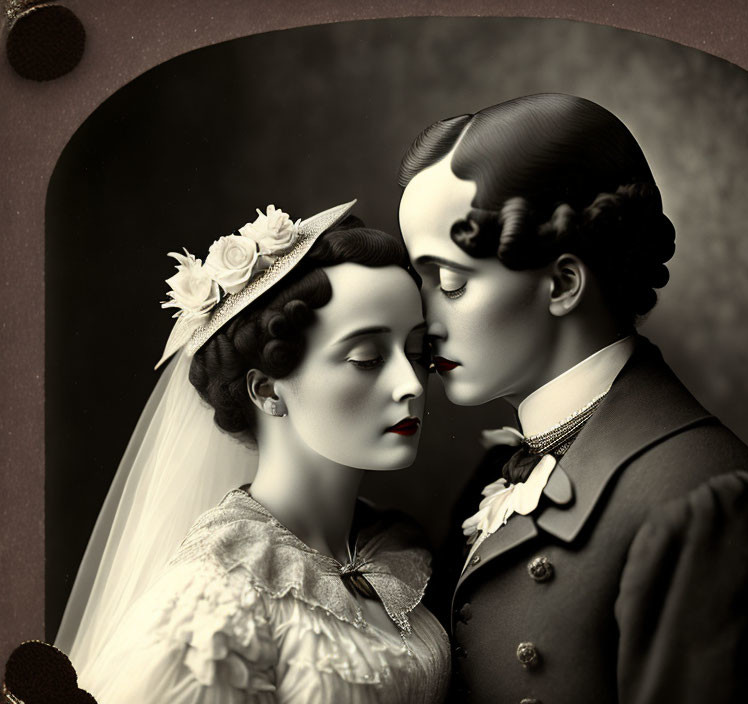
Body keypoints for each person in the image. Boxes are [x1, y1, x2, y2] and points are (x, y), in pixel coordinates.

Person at [397, 94, 748, 703]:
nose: (423, 317)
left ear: (563, 283)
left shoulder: (704, 503)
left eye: (450, 282)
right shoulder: (501, 467)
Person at [55, 202, 451, 703]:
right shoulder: (214, 599)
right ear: (266, 391)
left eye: (417, 353)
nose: (410, 383)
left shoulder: (393, 550)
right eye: (367, 358)